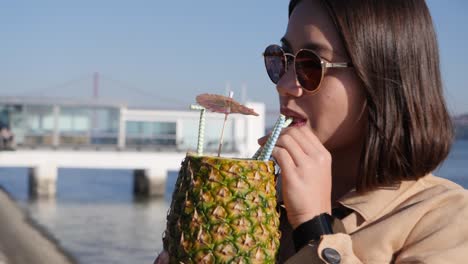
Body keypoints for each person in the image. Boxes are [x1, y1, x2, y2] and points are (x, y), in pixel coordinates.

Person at [155, 0, 468, 263]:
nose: (284, 85)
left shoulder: (445, 219)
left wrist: (314, 227)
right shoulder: (254, 202)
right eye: (282, 59)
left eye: (311, 65)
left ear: (381, 77)